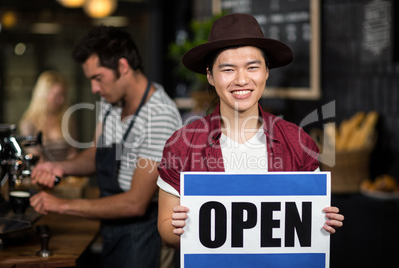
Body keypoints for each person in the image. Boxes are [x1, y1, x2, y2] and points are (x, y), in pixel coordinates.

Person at [156, 13, 344, 249]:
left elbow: (309, 223)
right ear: (210, 76)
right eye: (228, 70)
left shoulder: (298, 142)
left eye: (252, 67)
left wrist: (322, 223)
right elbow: (165, 227)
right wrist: (181, 229)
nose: (242, 80)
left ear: (266, 71)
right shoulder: (182, 144)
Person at [29, 26, 182, 267]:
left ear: (122, 67)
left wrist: (61, 205)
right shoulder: (111, 100)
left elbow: (135, 203)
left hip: (142, 234)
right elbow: (96, 154)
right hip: (110, 226)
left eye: (97, 78)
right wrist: (60, 167)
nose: (94, 89)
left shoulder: (160, 116)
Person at [19, 70, 77, 162]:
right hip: (42, 173)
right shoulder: (29, 123)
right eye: (57, 95)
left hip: (67, 172)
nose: (61, 100)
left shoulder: (67, 120)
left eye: (63, 95)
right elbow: (36, 157)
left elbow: (72, 153)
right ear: (43, 95)